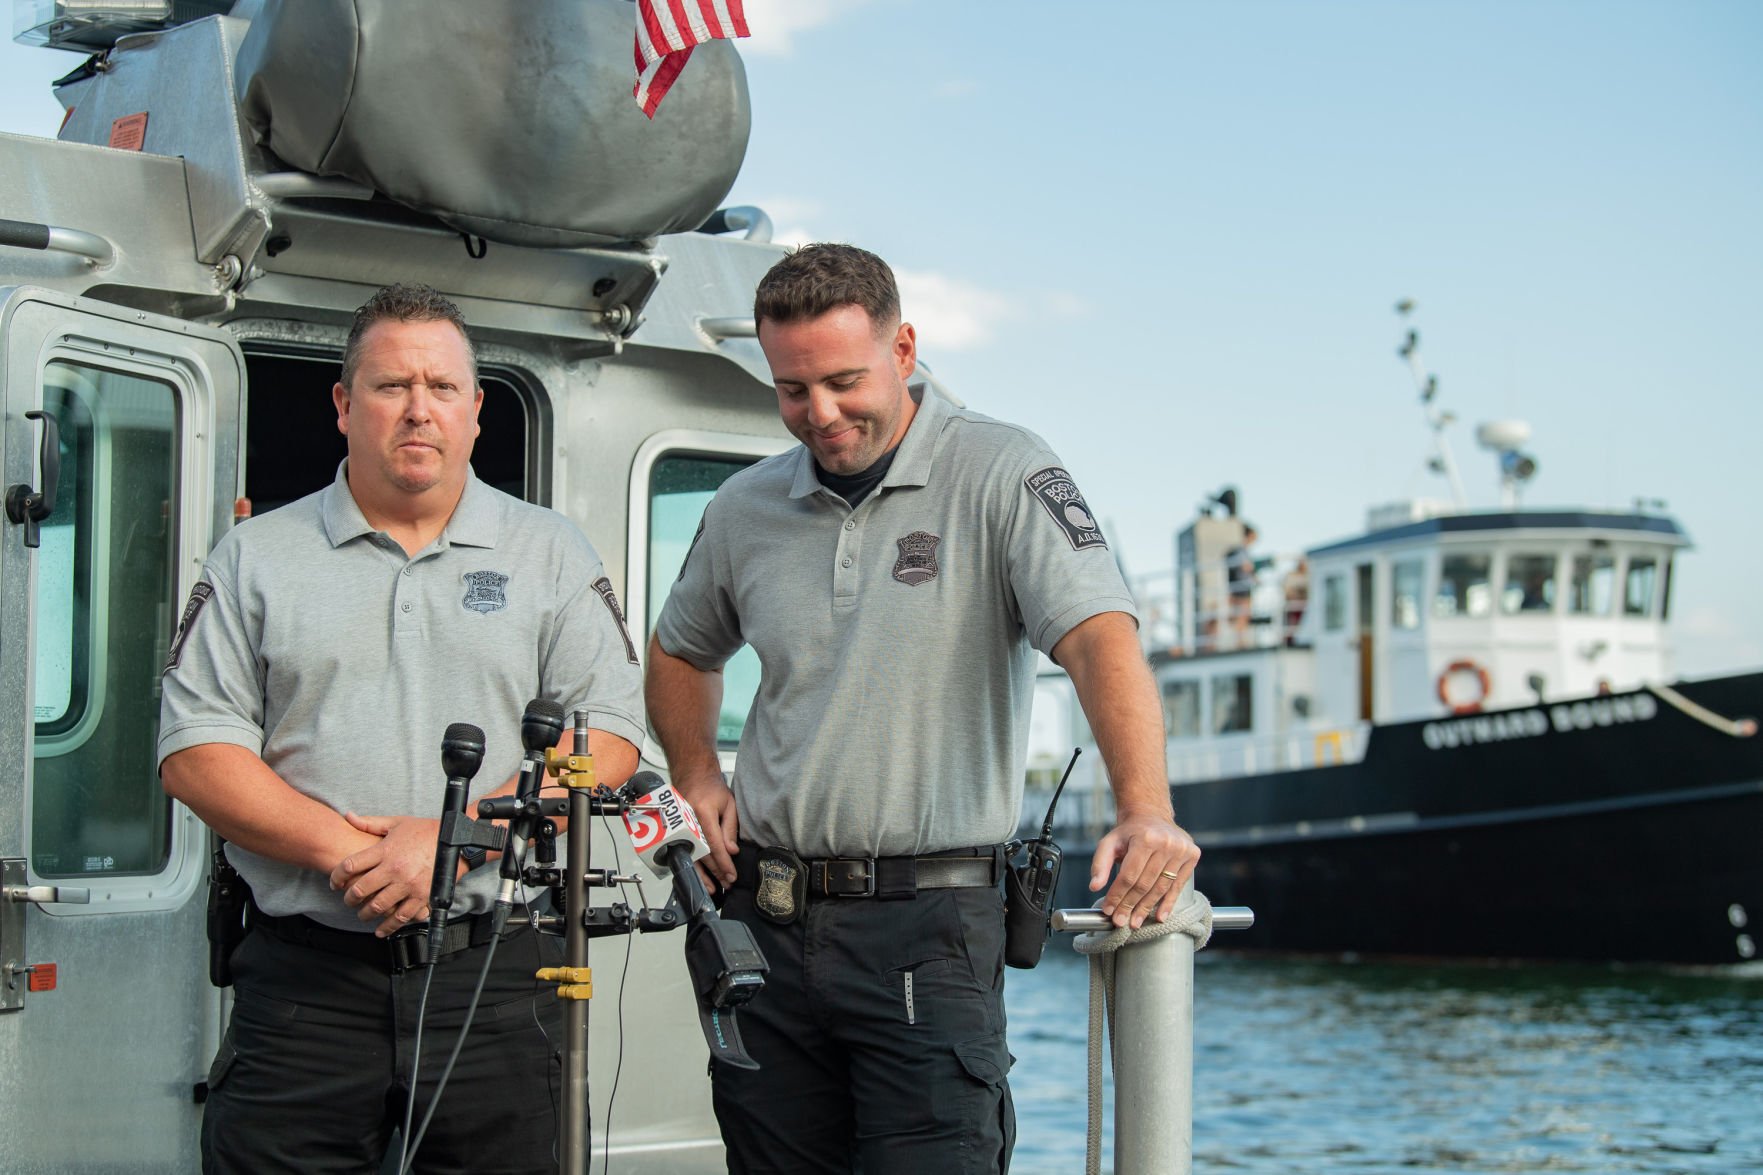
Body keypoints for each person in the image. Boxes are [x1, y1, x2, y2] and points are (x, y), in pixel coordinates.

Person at [645, 244, 1200, 1174]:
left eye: (842, 381)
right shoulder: (746, 506)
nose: (818, 414)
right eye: (792, 389)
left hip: (927, 931)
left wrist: (1148, 808)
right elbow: (678, 648)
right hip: (764, 925)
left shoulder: (1001, 470)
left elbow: (1100, 636)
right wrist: (696, 773)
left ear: (903, 348)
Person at [157, 283, 645, 1174]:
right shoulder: (257, 556)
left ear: (475, 411)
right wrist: (354, 852)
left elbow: (607, 736)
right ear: (345, 406)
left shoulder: (552, 553)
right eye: (389, 386)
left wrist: (456, 842)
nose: (418, 408)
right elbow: (195, 753)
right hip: (306, 987)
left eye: (441, 387)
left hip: (494, 976)